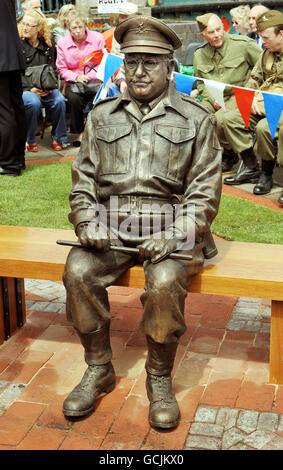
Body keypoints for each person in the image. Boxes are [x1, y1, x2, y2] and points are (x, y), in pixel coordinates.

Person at [61, 16, 222, 429]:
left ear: (171, 67)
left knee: (165, 283)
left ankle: (159, 376)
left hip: (173, 227)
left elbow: (204, 194)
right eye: (132, 61)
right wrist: (85, 221)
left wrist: (173, 235)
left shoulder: (196, 117)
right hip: (112, 228)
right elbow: (82, 183)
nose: (138, 71)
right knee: (78, 269)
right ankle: (99, 368)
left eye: (150, 62)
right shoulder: (102, 116)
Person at [221, 10, 283, 207]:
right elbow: (255, 78)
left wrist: (265, 103)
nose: (262, 41)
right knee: (228, 119)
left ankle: (266, 173)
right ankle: (250, 167)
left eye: (265, 37)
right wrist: (250, 98)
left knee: (265, 128)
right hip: (262, 102)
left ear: (281, 34)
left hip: (277, 106)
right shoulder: (266, 54)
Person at [193, 13, 261, 172]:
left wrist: (253, 91)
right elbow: (201, 83)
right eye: (211, 32)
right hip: (213, 96)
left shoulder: (243, 45)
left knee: (219, 119)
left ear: (224, 27)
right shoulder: (199, 54)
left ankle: (249, 164)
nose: (217, 35)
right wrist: (212, 99)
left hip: (240, 93)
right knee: (197, 117)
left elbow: (263, 68)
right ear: (203, 35)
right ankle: (221, 156)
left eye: (219, 29)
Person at [18, 9, 68, 152]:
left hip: (45, 88)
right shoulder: (18, 46)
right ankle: (30, 139)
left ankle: (59, 138)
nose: (25, 28)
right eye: (24, 24)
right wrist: (30, 89)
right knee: (33, 102)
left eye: (29, 25)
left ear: (38, 28)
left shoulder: (48, 45)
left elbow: (52, 69)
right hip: (26, 89)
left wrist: (48, 86)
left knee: (59, 99)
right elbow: (16, 74)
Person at [56, 12, 105, 147]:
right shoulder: (62, 43)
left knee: (100, 99)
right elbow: (61, 68)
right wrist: (76, 77)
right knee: (74, 99)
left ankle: (96, 133)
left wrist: (91, 75)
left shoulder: (97, 38)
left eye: (80, 27)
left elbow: (103, 62)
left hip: (94, 81)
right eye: (74, 28)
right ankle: (80, 133)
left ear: (85, 26)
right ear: (68, 29)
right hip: (74, 83)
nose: (77, 31)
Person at [0, 0, 27, 177]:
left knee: (4, 109)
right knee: (16, 106)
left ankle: (8, 163)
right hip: (13, 52)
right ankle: (17, 158)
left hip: (3, 56)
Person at [110, 1, 139, 93]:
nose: (120, 20)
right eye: (120, 17)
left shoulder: (143, 34)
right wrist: (121, 80)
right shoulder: (118, 34)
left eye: (124, 17)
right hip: (123, 77)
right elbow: (115, 60)